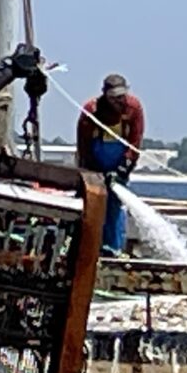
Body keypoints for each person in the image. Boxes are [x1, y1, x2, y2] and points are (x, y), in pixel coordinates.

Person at [77, 73, 146, 255]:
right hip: (95, 161)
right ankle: (90, 247)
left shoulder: (134, 108)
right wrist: (91, 171)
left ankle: (113, 248)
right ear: (105, 96)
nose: (119, 102)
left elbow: (135, 142)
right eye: (114, 98)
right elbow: (83, 145)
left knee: (115, 205)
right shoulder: (91, 111)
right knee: (93, 202)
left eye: (122, 97)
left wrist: (124, 167)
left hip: (119, 162)